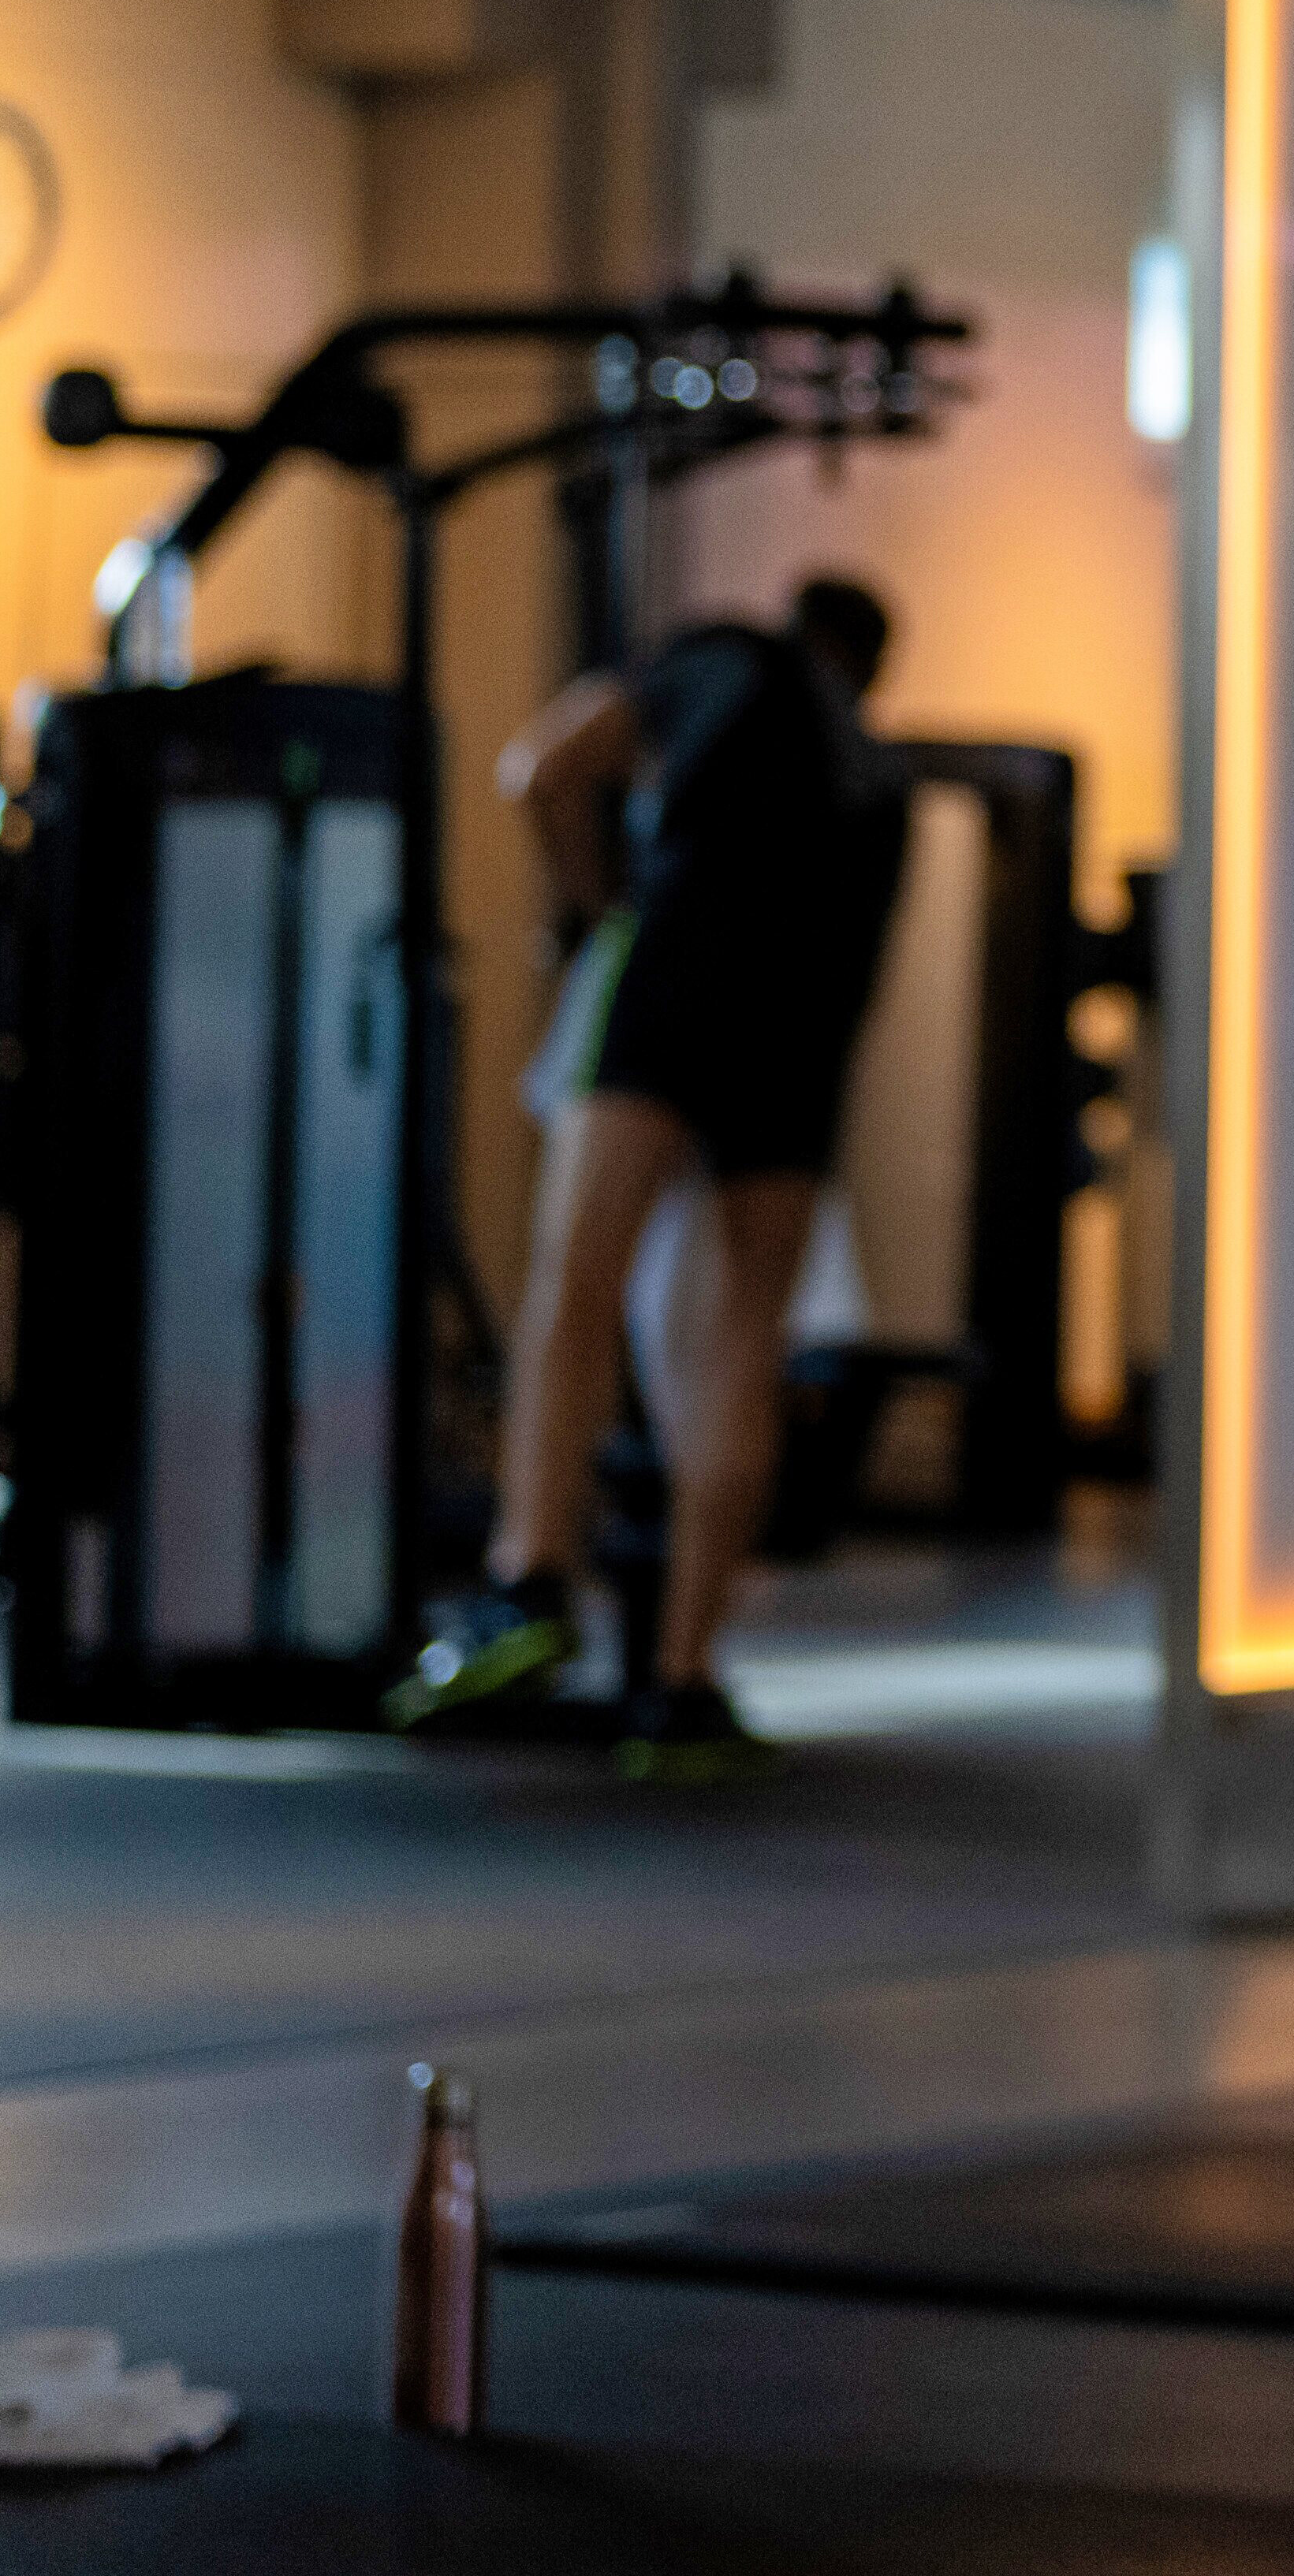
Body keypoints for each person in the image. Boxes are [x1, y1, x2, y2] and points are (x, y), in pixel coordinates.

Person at [390, 573, 912, 1779]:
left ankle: (531, 1576)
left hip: (675, 969)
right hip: (801, 1039)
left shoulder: (717, 654)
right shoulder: (876, 779)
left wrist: (598, 906)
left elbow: (540, 768)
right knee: (745, 1341)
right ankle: (683, 1685)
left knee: (576, 1280)